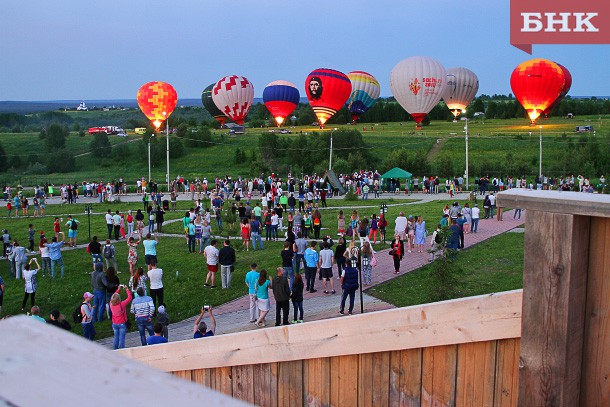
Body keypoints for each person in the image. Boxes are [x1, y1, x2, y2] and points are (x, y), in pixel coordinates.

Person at [109, 284, 133, 349]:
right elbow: (129, 298)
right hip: (122, 323)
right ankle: (122, 350)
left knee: (116, 337)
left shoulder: (111, 304)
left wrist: (118, 289)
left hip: (114, 323)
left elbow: (113, 296)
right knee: (122, 338)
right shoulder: (122, 304)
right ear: (119, 299)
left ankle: (115, 349)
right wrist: (126, 289)